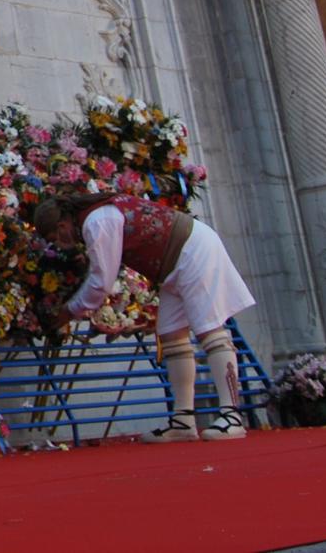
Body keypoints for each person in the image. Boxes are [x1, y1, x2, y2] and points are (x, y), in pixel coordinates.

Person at [33, 189, 255, 442]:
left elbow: (101, 281)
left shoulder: (97, 222)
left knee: (210, 330)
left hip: (192, 252)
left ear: (63, 224)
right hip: (173, 265)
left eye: (56, 237)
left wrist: (68, 311)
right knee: (171, 337)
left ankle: (232, 415)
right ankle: (183, 420)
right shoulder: (96, 218)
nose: (60, 245)